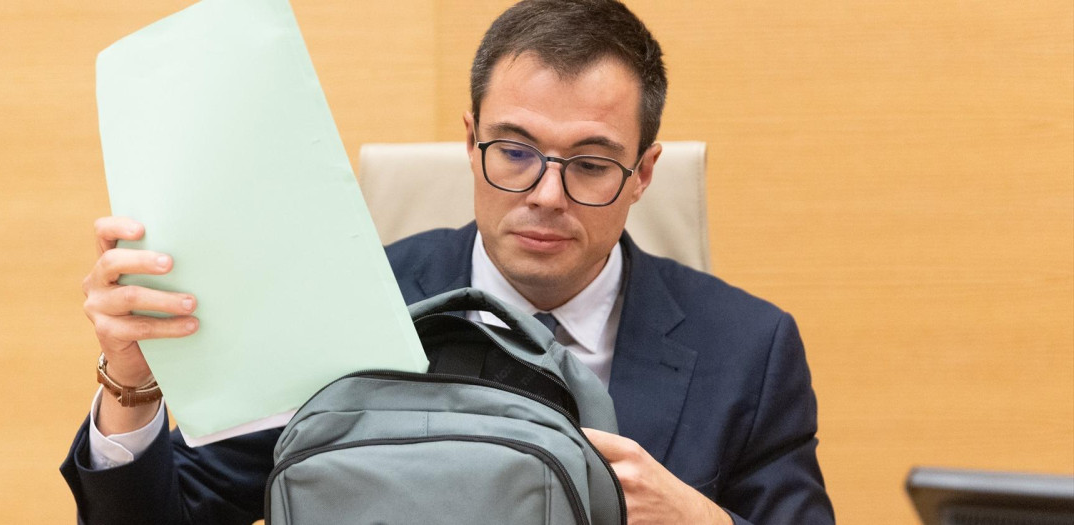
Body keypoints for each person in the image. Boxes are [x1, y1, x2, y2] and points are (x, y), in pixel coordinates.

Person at [61, 0, 834, 523]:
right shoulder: (346, 301)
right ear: (469, 142)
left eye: (592, 164)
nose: (546, 194)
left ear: (645, 172)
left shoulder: (750, 348)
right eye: (514, 151)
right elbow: (178, 512)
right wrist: (130, 384)